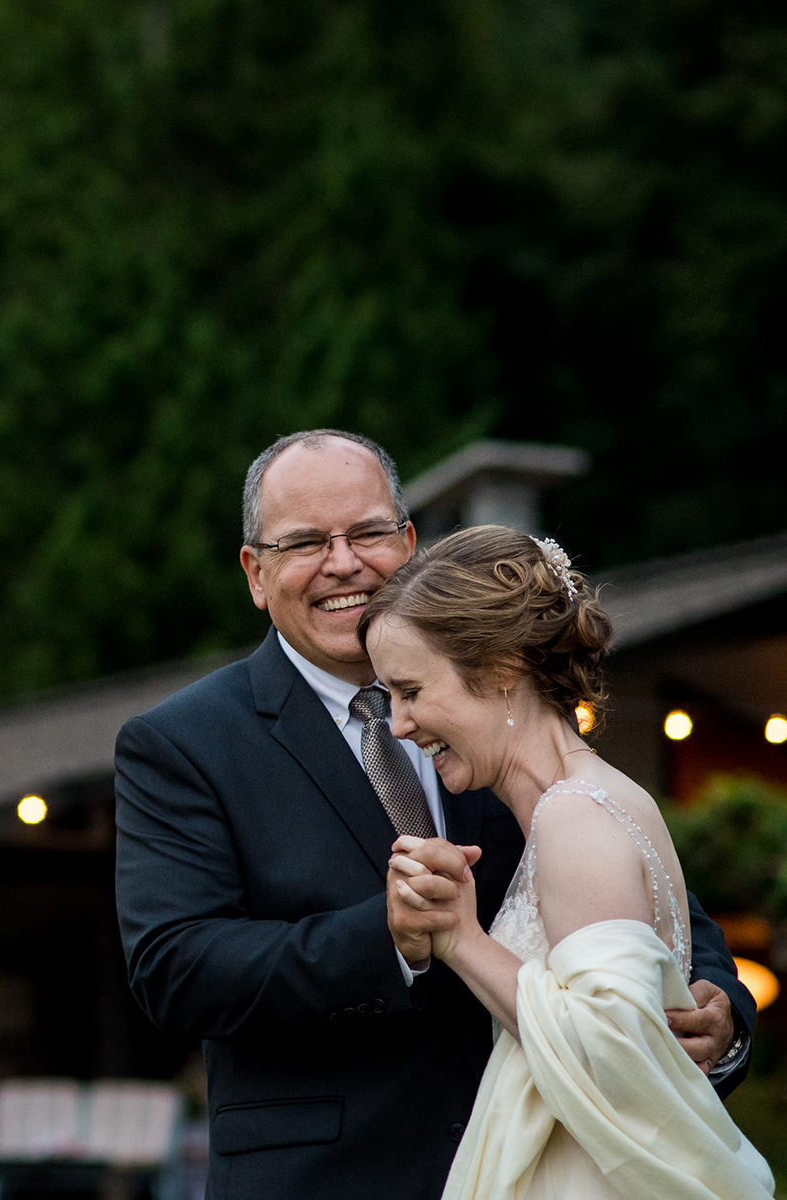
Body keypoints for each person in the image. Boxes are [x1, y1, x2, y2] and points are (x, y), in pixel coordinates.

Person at [114, 430, 751, 1200]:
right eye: (306, 541)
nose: (343, 562)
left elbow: (646, 893)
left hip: (545, 1160)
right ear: (255, 572)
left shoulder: (507, 706)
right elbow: (174, 968)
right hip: (326, 1179)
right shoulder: (183, 743)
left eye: (369, 532)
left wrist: (725, 1012)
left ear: (409, 542)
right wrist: (386, 936)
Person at [363, 525, 773, 1198]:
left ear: (499, 670)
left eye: (410, 691)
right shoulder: (586, 800)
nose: (400, 724)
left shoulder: (573, 815)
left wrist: (461, 939)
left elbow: (610, 1051)